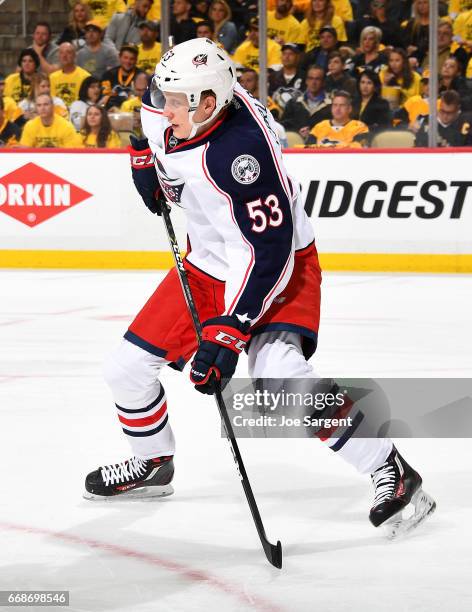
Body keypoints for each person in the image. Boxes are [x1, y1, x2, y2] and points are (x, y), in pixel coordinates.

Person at [83, 38, 435, 541]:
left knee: (280, 378)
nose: (163, 109)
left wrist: (228, 335)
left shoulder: (242, 156)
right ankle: (153, 462)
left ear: (209, 103)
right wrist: (149, 172)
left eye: (176, 102)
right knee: (124, 369)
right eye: (161, 95)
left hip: (279, 263)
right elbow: (167, 163)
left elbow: (266, 252)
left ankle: (391, 470)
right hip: (208, 262)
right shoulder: (169, 102)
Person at [280, 64, 332, 138]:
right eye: (311, 78)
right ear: (306, 81)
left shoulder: (331, 105)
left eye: (317, 79)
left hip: (323, 145)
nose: (313, 82)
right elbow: (283, 126)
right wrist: (297, 132)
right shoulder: (293, 103)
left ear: (323, 82)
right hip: (297, 145)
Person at [101, 44, 145, 109]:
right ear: (119, 57)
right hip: (111, 111)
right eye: (125, 58)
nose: (128, 61)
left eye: (132, 59)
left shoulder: (141, 77)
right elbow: (104, 97)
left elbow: (142, 98)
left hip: (133, 111)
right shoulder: (108, 75)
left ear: (136, 60)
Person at [49, 43, 91, 107]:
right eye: (61, 53)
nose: (64, 55)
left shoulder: (85, 77)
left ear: (75, 55)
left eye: (68, 52)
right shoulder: (52, 77)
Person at [352, 69, 392, 133]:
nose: (365, 86)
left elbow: (383, 126)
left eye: (369, 83)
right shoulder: (353, 102)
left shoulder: (382, 104)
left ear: (375, 86)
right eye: (362, 82)